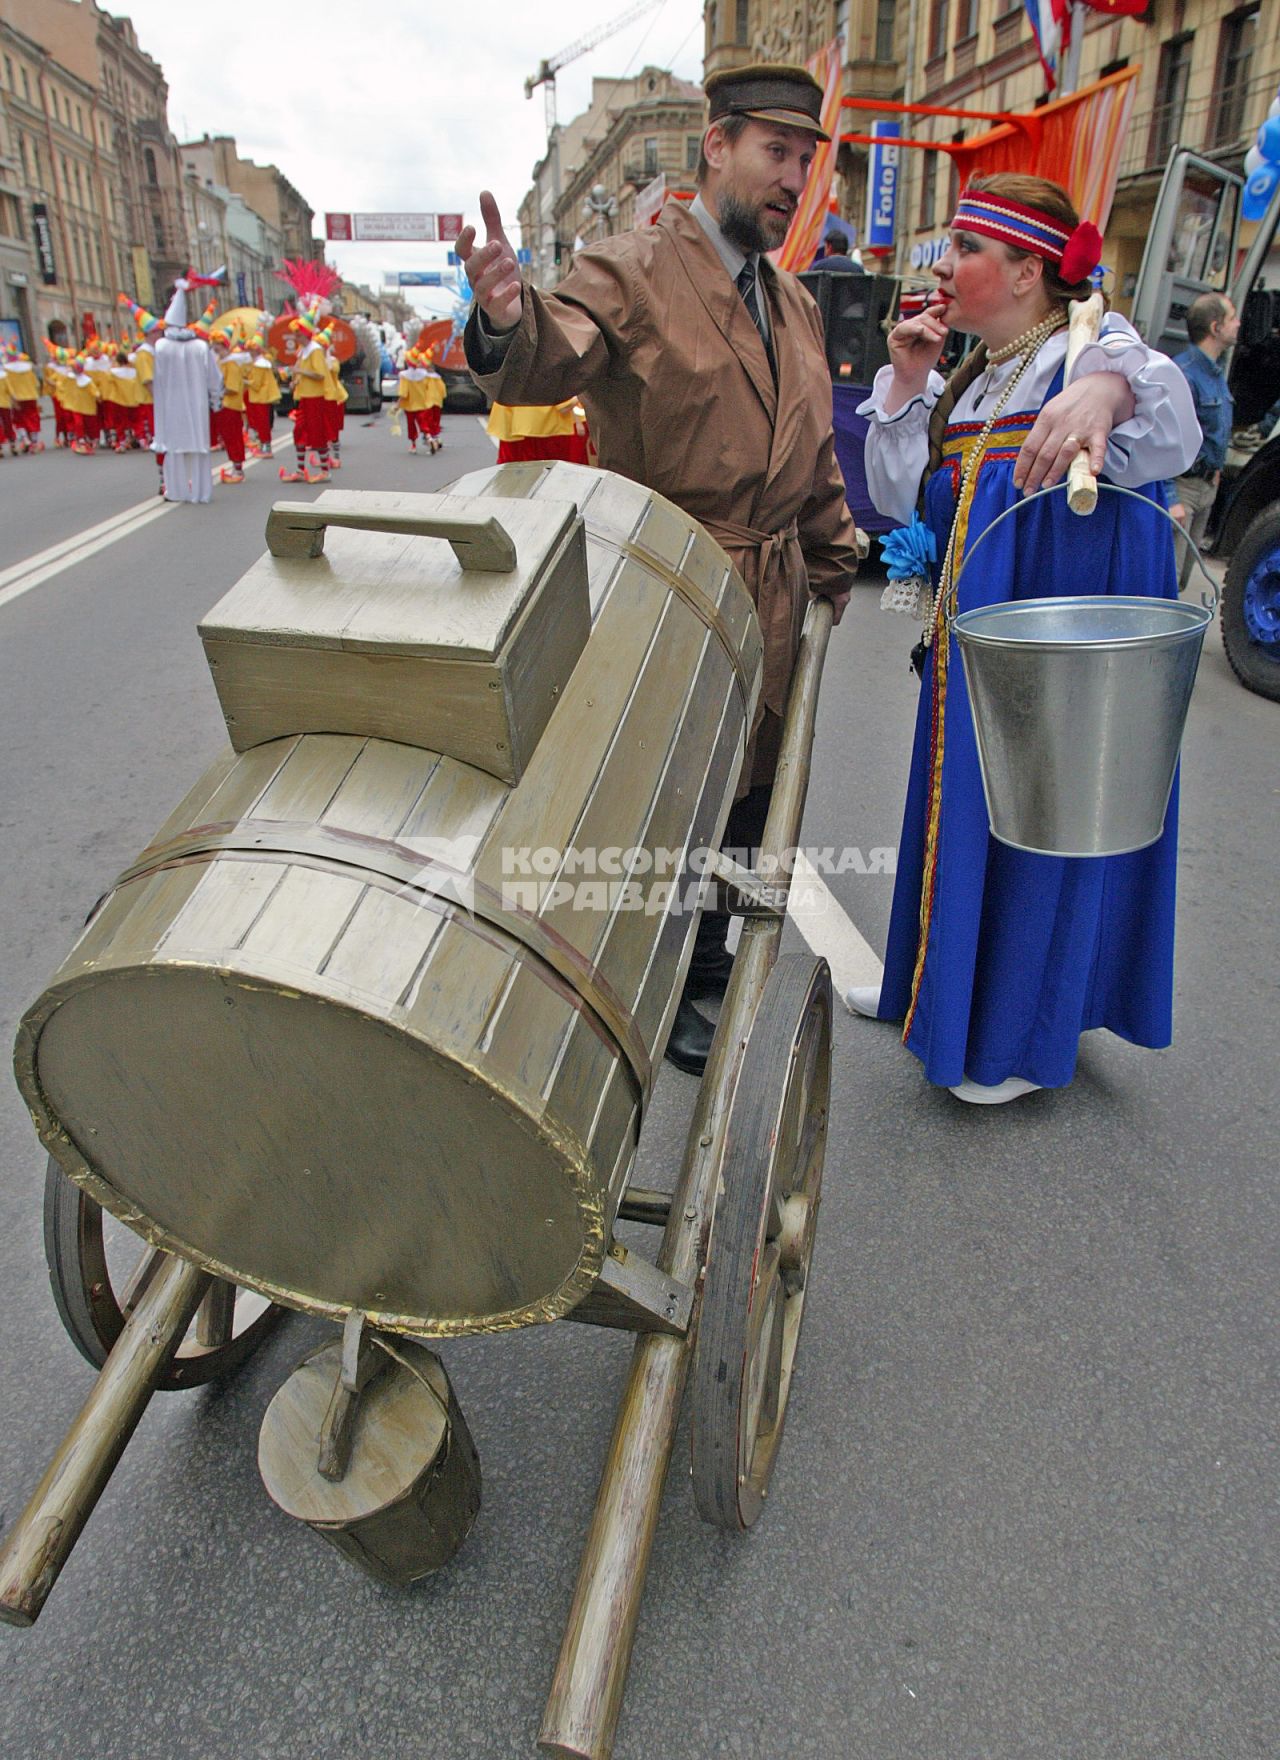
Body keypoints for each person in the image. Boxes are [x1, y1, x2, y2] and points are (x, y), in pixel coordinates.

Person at [460, 61, 864, 1077]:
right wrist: (507, 318)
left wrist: (830, 562)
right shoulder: (633, 265)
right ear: (714, 145)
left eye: (803, 160)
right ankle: (661, 975)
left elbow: (811, 453)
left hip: (768, 586)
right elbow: (548, 355)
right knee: (670, 794)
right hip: (673, 584)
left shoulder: (793, 300)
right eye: (774, 152)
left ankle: (711, 957)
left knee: (746, 798)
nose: (791, 178)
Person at [852, 173, 1200, 1104]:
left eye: (965, 248)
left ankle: (1012, 1039)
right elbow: (893, 502)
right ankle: (928, 991)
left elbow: (1174, 423)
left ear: (1027, 273)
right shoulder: (974, 383)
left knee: (1037, 823)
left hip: (1048, 644)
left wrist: (1105, 393)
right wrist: (913, 379)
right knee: (954, 808)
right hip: (972, 638)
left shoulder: (1085, 352)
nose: (943, 265)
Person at [1165, 292, 1238, 590]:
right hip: (1184, 490)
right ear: (1215, 327)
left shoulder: (1215, 372)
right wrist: (1171, 498)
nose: (1238, 324)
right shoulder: (1183, 373)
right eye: (1232, 317)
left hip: (1206, 487)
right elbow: (1166, 437)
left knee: (1182, 579)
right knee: (1168, 583)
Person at [151, 274, 225, 503]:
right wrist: (215, 399)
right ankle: (201, 492)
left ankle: (176, 490)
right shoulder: (200, 346)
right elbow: (215, 378)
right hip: (196, 404)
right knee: (198, 449)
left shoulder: (161, 346)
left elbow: (158, 378)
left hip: (172, 404)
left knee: (175, 449)